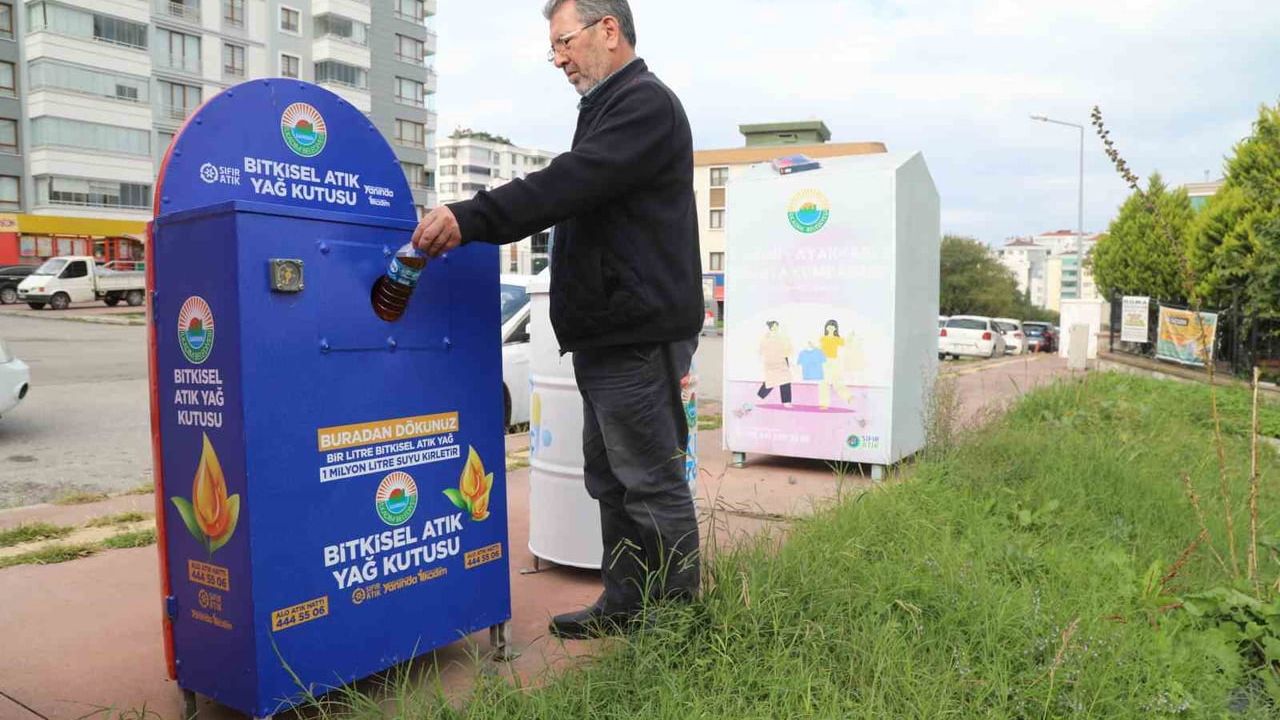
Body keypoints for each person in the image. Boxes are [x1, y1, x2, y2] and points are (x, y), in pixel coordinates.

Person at [411, 0, 703, 639]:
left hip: (637, 332)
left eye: (564, 42)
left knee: (649, 482)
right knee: (609, 479)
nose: (559, 59)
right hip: (607, 333)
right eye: (554, 48)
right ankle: (627, 604)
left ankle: (681, 631)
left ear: (608, 30)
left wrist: (474, 216)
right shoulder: (604, 108)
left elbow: (568, 184)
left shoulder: (645, 104)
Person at [757, 321, 793, 406]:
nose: (776, 327)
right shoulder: (767, 337)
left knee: (785, 380)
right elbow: (762, 349)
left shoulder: (782, 336)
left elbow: (788, 347)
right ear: (771, 327)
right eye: (774, 326)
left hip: (783, 359)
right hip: (772, 360)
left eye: (777, 325)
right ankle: (760, 396)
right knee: (772, 380)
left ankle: (786, 401)